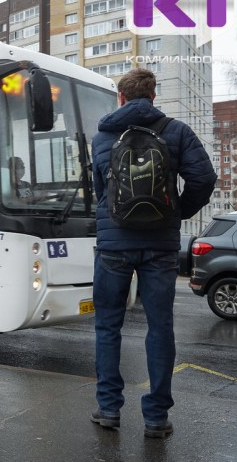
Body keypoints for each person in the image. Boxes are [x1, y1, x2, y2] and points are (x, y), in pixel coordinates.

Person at [90, 68, 215, 439]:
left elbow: (100, 191)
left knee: (107, 326)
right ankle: (156, 418)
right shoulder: (176, 132)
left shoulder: (103, 136)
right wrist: (176, 212)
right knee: (160, 328)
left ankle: (109, 409)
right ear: (154, 96)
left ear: (121, 98)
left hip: (113, 246)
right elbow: (204, 179)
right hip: (160, 247)